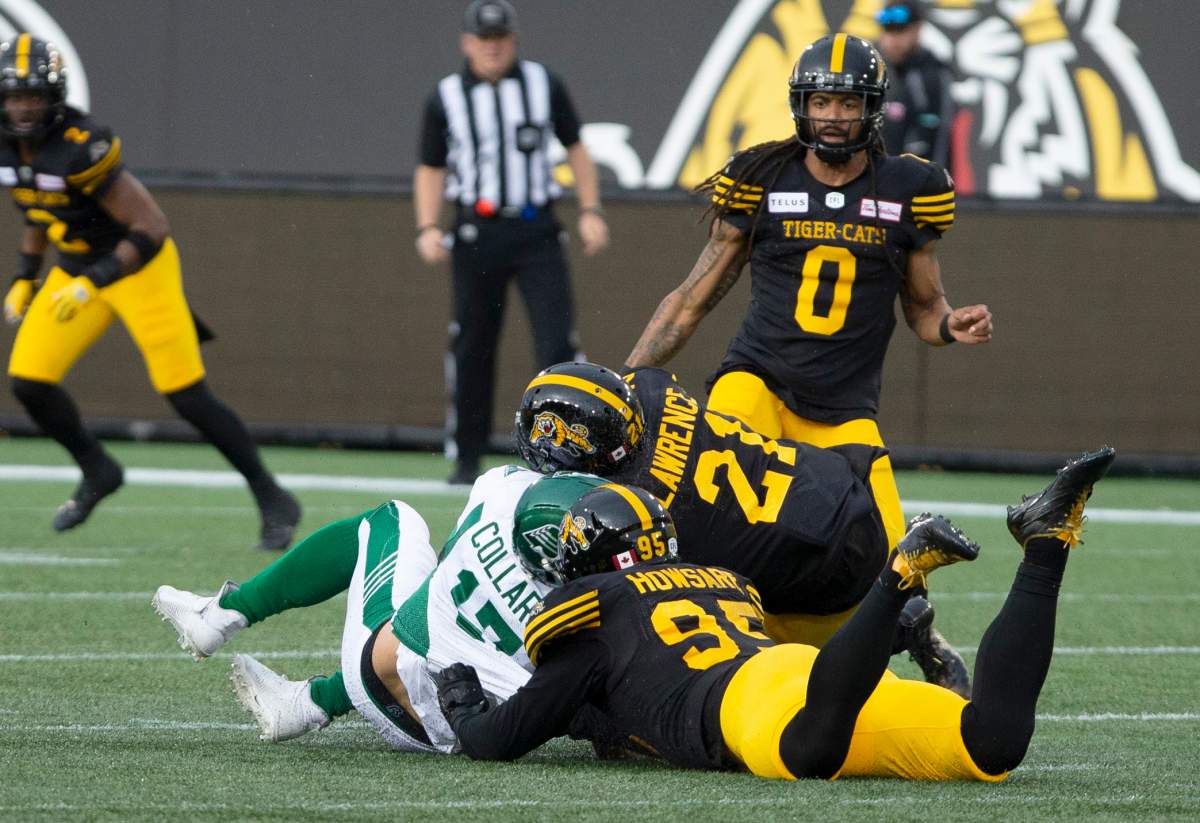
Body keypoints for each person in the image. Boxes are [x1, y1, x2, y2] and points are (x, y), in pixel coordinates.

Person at [437, 447, 1115, 781]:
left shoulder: (594, 619)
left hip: (760, 705)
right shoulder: (722, 582)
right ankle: (1047, 541)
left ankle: (896, 575)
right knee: (991, 745)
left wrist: (464, 704)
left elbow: (503, 737)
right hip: (807, 673)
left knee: (808, 752)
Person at [624, 33, 993, 557]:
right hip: (757, 382)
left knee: (887, 556)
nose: (833, 116)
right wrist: (623, 382)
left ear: (872, 108)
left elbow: (925, 308)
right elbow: (690, 300)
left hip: (844, 405)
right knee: (700, 512)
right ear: (802, 104)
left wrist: (950, 326)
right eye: (821, 101)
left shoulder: (911, 187)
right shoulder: (763, 176)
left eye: (847, 102)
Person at [0, 34, 299, 549]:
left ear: (54, 97)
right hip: (75, 270)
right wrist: (27, 274)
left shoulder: (81, 144)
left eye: (33, 96)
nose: (23, 107)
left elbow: (152, 226)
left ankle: (272, 496)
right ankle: (98, 469)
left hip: (137, 268)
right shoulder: (9, 147)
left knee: (186, 395)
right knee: (29, 382)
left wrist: (93, 282)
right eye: (14, 96)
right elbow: (36, 207)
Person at [514, 360, 971, 696]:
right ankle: (902, 614)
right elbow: (637, 376)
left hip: (826, 563)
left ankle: (896, 624)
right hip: (836, 482)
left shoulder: (636, 505)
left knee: (758, 669)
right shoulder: (649, 390)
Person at [152, 465, 610, 750]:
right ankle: (310, 701)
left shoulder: (503, 490)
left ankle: (222, 616)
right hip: (472, 725)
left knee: (391, 521)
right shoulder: (601, 602)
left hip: (388, 674)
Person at [414, 0, 610, 486]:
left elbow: (576, 148)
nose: (492, 47)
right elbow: (431, 166)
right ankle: (467, 455)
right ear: (467, 43)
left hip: (535, 229)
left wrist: (590, 210)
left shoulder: (544, 84)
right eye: (484, 39)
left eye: (500, 38)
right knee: (473, 344)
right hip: (477, 233)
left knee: (557, 343)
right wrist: (427, 225)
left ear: (513, 40)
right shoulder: (447, 96)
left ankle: (570, 451)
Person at [875, 1, 958, 165]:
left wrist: (933, 179)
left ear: (917, 29)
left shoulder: (933, 75)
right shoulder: (877, 71)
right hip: (881, 175)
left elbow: (939, 142)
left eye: (900, 31)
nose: (892, 40)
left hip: (920, 177)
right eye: (887, 30)